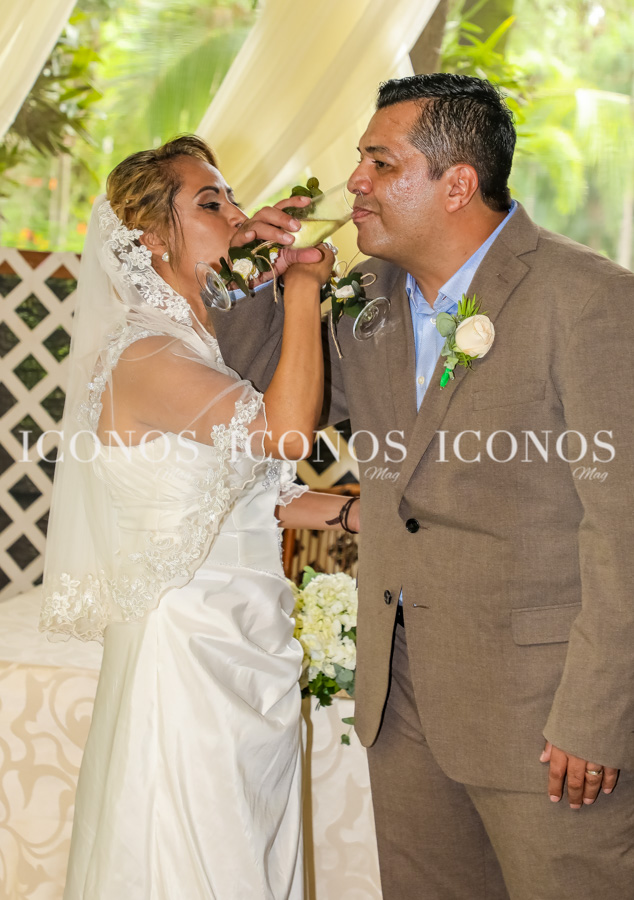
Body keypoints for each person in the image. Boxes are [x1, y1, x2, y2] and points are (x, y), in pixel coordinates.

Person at [211, 75, 634, 899]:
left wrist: (598, 713)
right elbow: (263, 400)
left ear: (458, 182)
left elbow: (624, 529)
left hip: (546, 720)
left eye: (380, 161)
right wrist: (258, 276)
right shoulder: (367, 302)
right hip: (399, 707)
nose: (355, 182)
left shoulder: (589, 299)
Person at [40, 134, 359, 900]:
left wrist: (362, 517)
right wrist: (303, 290)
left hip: (252, 636)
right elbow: (286, 436)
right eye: (208, 202)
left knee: (249, 851)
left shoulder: (202, 348)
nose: (236, 214)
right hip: (188, 651)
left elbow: (259, 491)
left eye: (233, 198)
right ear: (151, 239)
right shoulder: (147, 357)